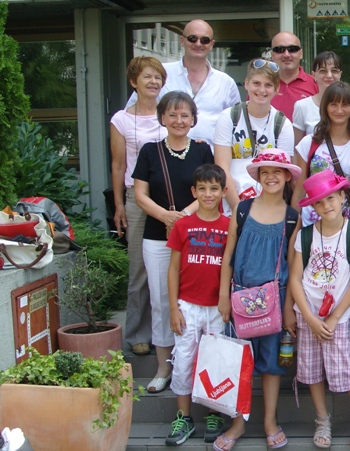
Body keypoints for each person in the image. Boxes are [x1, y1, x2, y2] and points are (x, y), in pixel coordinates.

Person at [214, 148, 301, 451]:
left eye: (277, 171)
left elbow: (293, 265)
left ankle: (269, 421)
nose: (271, 177)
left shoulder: (292, 218)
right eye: (265, 172)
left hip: (275, 300)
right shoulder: (242, 209)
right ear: (258, 176)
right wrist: (224, 296)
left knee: (272, 363)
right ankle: (238, 422)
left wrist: (289, 307)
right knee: (240, 363)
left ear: (287, 176)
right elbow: (228, 254)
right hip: (240, 298)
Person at [132, 91, 214, 395]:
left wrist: (182, 217)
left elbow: (212, 189)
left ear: (193, 119)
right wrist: (166, 217)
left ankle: (197, 365)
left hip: (198, 235)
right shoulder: (149, 151)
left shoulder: (202, 150)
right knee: (161, 300)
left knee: (196, 299)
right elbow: (140, 194)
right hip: (158, 235)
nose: (179, 120)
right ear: (162, 118)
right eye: (172, 114)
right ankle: (164, 367)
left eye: (185, 115)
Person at [288, 169, 350, 448]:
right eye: (319, 202)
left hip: (337, 316)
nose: (326, 205)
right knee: (311, 370)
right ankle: (322, 419)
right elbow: (295, 278)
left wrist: (335, 316)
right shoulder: (305, 236)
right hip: (308, 314)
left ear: (342, 197)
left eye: (330, 198)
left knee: (343, 369)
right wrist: (309, 316)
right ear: (313, 207)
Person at [164, 164, 230, 446]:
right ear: (194, 192)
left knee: (215, 361)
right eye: (202, 188)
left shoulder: (229, 226)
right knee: (183, 360)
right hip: (187, 305)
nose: (208, 194)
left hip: (217, 308)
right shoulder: (183, 225)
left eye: (214, 188)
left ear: (224, 192)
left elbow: (230, 266)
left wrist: (226, 300)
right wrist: (173, 308)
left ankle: (214, 414)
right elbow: (172, 269)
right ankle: (184, 417)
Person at [110, 56, 167, 356]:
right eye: (147, 76)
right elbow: (118, 165)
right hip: (137, 198)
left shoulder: (169, 114)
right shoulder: (121, 119)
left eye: (158, 77)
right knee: (139, 269)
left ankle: (169, 332)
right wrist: (119, 204)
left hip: (170, 198)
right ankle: (137, 333)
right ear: (134, 81)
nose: (153, 82)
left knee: (173, 266)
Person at [127, 20, 240, 143]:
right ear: (182, 40)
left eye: (204, 40)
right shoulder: (160, 74)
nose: (198, 44)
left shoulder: (226, 83)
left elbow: (238, 125)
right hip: (164, 153)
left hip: (211, 153)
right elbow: (132, 115)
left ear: (211, 44)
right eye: (192, 38)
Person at [213, 58, 294, 216]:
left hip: (268, 206)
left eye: (268, 85)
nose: (261, 90)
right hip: (230, 204)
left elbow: (282, 175)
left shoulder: (282, 124)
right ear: (246, 84)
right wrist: (239, 211)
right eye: (256, 83)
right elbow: (222, 169)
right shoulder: (229, 117)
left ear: (277, 89)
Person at [292, 81, 350, 227]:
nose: (339, 110)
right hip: (311, 222)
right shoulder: (309, 143)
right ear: (325, 107)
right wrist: (292, 224)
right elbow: (300, 189)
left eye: (345, 105)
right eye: (334, 104)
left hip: (347, 223)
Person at [292, 51, 350, 146]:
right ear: (313, 75)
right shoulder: (302, 106)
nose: (329, 75)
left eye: (334, 71)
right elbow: (296, 148)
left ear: (340, 74)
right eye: (323, 71)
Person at [270, 31, 318, 119]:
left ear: (301, 53)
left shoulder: (316, 85)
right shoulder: (261, 87)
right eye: (280, 50)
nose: (286, 54)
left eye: (292, 49)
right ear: (272, 55)